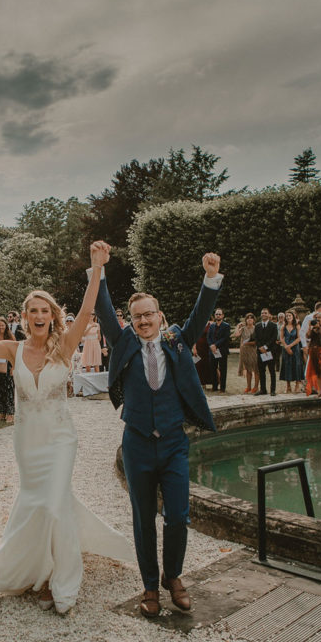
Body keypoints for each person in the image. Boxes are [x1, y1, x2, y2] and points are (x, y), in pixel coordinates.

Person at [0, 241, 133, 615]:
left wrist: (97, 267)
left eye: (45, 310)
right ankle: (41, 572)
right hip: (27, 442)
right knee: (40, 504)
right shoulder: (13, 349)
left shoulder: (66, 344)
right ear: (25, 317)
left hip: (61, 439)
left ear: (52, 315)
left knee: (54, 505)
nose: (40, 315)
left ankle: (63, 583)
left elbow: (89, 307)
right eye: (33, 311)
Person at [95, 249, 223, 618]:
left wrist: (210, 276)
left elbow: (200, 313)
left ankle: (174, 576)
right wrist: (100, 270)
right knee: (143, 517)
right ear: (131, 321)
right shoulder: (124, 344)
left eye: (149, 314)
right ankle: (150, 586)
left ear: (160, 315)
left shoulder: (176, 340)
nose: (144, 320)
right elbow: (105, 313)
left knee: (179, 515)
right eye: (137, 316)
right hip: (136, 444)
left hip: (172, 443)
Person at [254, 308, 279, 396]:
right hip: (260, 352)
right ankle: (263, 389)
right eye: (262, 313)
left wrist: (265, 347)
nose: (263, 314)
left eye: (265, 313)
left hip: (270, 351)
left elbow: (274, 337)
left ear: (269, 315)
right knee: (261, 371)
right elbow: (256, 338)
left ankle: (273, 390)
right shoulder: (257, 326)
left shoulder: (273, 325)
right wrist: (260, 347)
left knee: (272, 371)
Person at [279, 311, 304, 394]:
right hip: (285, 348)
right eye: (287, 316)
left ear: (293, 316)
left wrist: (290, 346)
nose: (288, 317)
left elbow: (299, 338)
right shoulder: (283, 326)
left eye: (290, 315)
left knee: (296, 365)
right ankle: (288, 385)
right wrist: (286, 346)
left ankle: (297, 385)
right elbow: (281, 338)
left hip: (295, 348)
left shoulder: (297, 326)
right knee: (287, 365)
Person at [207, 307, 231, 392]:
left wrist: (215, 345)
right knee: (213, 369)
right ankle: (214, 387)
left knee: (222, 369)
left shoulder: (226, 326)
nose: (218, 315)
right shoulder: (211, 326)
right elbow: (208, 337)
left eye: (219, 314)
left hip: (222, 350)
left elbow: (225, 338)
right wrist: (211, 345)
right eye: (216, 314)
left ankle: (222, 388)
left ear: (223, 315)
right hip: (212, 351)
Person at [234, 313, 258, 394]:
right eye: (248, 318)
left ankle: (256, 387)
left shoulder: (256, 328)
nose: (249, 319)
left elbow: (257, 341)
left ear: (254, 320)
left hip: (253, 350)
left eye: (251, 318)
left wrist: (247, 343)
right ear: (246, 320)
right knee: (248, 370)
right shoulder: (243, 329)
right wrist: (238, 326)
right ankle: (248, 386)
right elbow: (236, 334)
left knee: (256, 369)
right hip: (245, 351)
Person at [193, 315, 214, 389]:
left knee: (209, 364)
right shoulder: (198, 324)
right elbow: (194, 336)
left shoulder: (211, 324)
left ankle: (214, 382)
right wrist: (194, 348)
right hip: (199, 347)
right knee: (199, 365)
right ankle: (202, 383)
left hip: (208, 347)